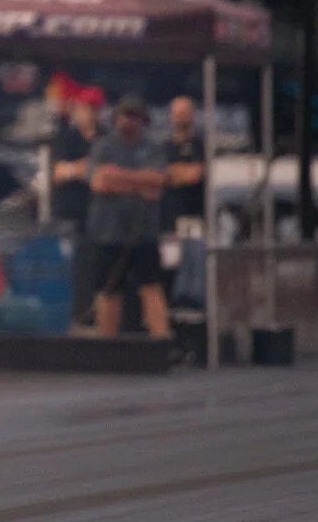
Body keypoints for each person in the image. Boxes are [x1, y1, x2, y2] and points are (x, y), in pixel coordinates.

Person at [86, 95, 171, 340]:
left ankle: (161, 341)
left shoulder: (153, 147)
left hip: (144, 231)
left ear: (143, 120)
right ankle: (106, 346)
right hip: (107, 231)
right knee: (108, 290)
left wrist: (118, 178)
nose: (128, 121)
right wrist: (139, 183)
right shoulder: (103, 146)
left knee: (151, 287)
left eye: (134, 116)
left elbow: (157, 182)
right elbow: (99, 181)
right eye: (124, 115)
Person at [50, 88, 103, 326]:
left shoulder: (105, 138)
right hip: (70, 214)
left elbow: (108, 172)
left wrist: (83, 169)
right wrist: (85, 168)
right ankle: (71, 314)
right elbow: (59, 172)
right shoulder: (67, 138)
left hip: (100, 215)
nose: (90, 113)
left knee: (95, 267)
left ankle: (92, 314)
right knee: (71, 267)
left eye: (94, 108)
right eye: (85, 107)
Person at [162, 95, 206, 234]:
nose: (180, 118)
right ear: (170, 116)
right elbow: (159, 175)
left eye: (184, 113)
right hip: (168, 216)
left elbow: (196, 174)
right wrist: (175, 173)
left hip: (195, 215)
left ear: (192, 115)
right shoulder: (163, 147)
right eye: (177, 114)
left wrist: (173, 173)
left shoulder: (201, 146)